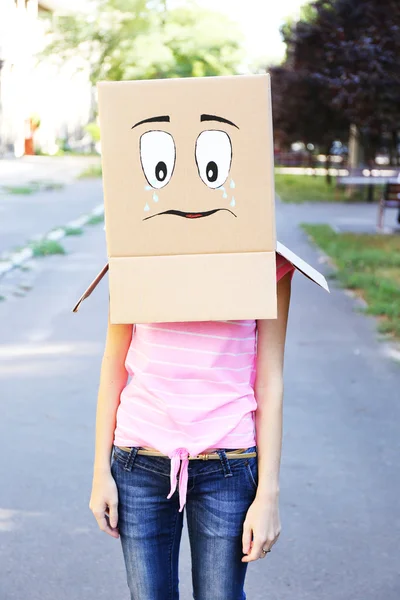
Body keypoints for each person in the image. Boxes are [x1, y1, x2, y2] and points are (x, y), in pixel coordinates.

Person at [89, 253, 295, 600]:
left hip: (228, 465)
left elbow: (270, 379)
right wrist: (99, 473)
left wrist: (268, 495)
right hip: (139, 462)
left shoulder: (265, 262)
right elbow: (113, 368)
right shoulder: (136, 254)